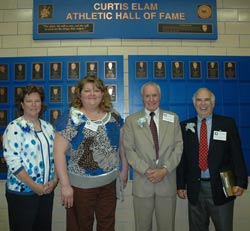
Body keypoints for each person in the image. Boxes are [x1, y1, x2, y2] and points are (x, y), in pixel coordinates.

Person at [53, 76, 129, 231]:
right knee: (80, 226)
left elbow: (122, 145)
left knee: (107, 225)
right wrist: (65, 186)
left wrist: (125, 169)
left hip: (108, 184)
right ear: (79, 94)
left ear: (103, 94)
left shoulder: (113, 116)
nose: (92, 94)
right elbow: (58, 152)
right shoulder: (71, 118)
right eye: (87, 90)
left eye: (96, 90)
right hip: (80, 187)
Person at [176, 87, 248, 231]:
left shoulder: (227, 124)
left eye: (207, 100)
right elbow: (182, 158)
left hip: (221, 187)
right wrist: (180, 184)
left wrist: (241, 181)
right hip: (195, 189)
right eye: (199, 100)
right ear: (194, 103)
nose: (203, 104)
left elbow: (237, 154)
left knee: (224, 227)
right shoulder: (184, 126)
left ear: (213, 103)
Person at [123, 82, 183, 231]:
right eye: (147, 96)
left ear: (160, 97)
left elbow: (179, 147)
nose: (151, 99)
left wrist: (164, 170)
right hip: (143, 182)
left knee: (167, 226)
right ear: (142, 98)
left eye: (154, 95)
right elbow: (129, 150)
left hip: (167, 181)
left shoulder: (173, 118)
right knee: (142, 227)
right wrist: (146, 170)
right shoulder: (131, 121)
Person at [2, 85, 57, 231]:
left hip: (46, 191)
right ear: (22, 104)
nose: (34, 104)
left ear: (41, 103)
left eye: (37, 101)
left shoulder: (48, 128)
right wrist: (34, 186)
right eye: (29, 101)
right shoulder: (14, 127)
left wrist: (55, 181)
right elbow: (12, 162)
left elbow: (57, 156)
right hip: (22, 194)